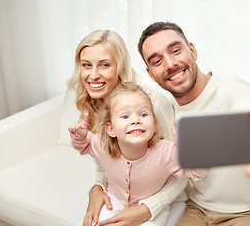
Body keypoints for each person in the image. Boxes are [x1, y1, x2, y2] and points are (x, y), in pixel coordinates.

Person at [88, 22, 250, 225]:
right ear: (150, 74)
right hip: (197, 211)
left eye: (176, 50)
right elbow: (122, 129)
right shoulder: (158, 110)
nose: (170, 64)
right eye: (156, 61)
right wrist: (98, 187)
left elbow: (249, 114)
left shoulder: (229, 90)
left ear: (193, 50)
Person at [68, 30, 189, 226]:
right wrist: (97, 188)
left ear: (119, 67)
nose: (93, 75)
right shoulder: (91, 106)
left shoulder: (152, 103)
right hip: (121, 198)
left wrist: (146, 209)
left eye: (104, 65)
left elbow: (178, 172)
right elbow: (105, 165)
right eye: (86, 65)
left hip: (163, 201)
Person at [69, 82, 207, 226]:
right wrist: (79, 137)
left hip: (150, 208)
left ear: (154, 125)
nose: (135, 120)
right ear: (111, 129)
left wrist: (190, 154)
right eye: (124, 116)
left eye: (143, 114)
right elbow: (84, 145)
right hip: (114, 202)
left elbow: (197, 173)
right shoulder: (102, 144)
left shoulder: (165, 152)